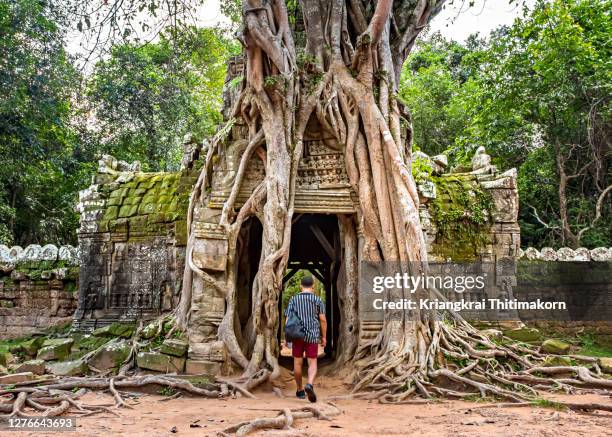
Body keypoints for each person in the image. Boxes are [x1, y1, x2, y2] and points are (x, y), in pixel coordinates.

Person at [285, 275, 327, 402]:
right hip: (312, 335)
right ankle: (309, 384)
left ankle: (299, 390)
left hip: (297, 335)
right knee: (312, 362)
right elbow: (323, 320)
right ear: (313, 286)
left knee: (297, 363)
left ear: (301, 286)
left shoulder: (293, 299)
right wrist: (324, 337)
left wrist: (287, 337)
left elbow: (287, 319)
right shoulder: (317, 300)